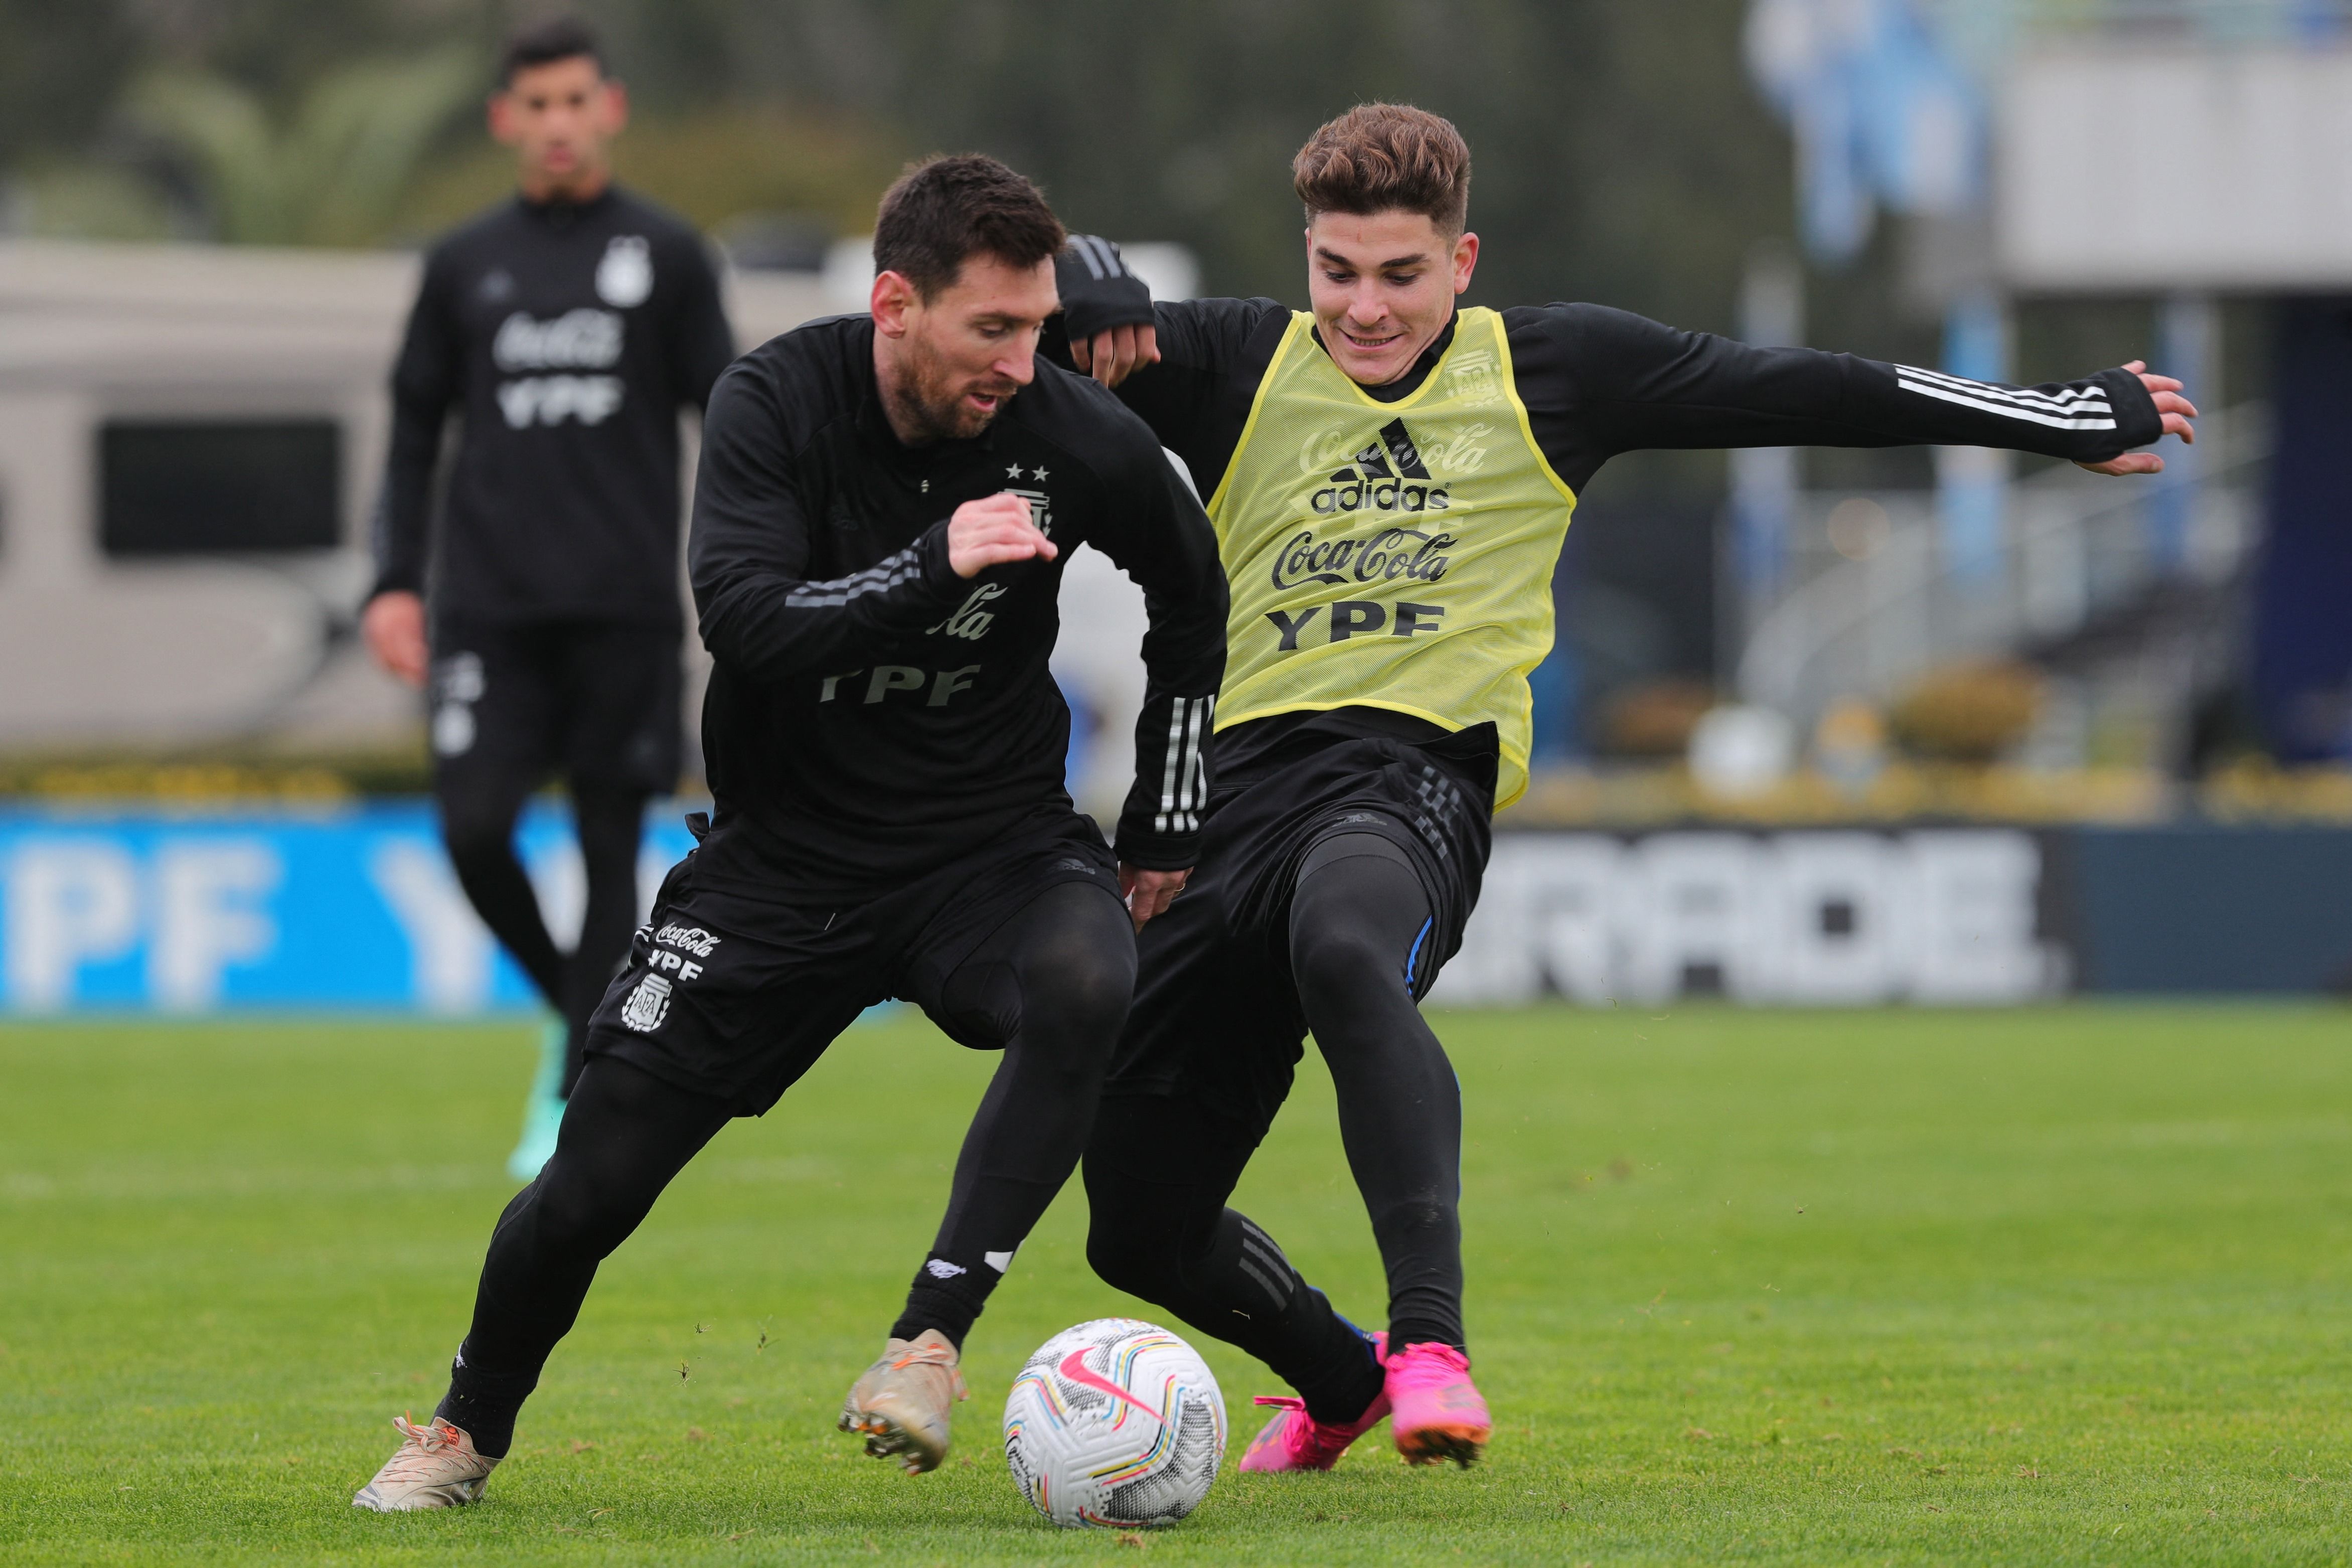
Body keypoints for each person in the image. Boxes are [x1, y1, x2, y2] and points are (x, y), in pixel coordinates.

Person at [1051, 102, 2198, 1472]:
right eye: (1337, 270)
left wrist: (2061, 418)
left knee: (1345, 941)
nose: (1365, 308)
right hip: (1227, 806)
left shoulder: (1560, 369)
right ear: (1307, 256)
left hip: (1411, 776)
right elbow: (1017, 277)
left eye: (1400, 275)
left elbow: (1807, 385)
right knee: (1138, 1227)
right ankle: (1343, 1377)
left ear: (1462, 259)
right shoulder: (1237, 359)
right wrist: (1094, 272)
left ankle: (1432, 1345)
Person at [351, 153, 1228, 1512]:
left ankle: (928, 1340)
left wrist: (1169, 805)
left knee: (1088, 970)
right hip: (780, 865)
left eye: (1034, 324)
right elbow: (746, 623)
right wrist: (930, 563)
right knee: (590, 1179)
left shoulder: (1072, 434)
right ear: (894, 303)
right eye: (989, 328)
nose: (1022, 358)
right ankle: (463, 1426)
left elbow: (1192, 597)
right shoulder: (777, 399)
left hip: (987, 848)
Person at [362, 18, 735, 1182]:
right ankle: (579, 1013)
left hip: (622, 605)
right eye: (538, 104)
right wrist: (391, 581)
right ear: (506, 120)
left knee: (608, 844)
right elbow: (417, 428)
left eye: (577, 100)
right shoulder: (462, 263)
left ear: (609, 109)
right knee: (473, 830)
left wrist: (749, 562)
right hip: (488, 608)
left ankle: (573, 1093)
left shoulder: (667, 255)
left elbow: (727, 418)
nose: (558, 123)